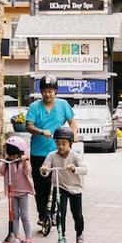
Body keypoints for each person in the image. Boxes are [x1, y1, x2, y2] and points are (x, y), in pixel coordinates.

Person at [25, 74, 77, 226]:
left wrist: (74, 135)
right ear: (41, 92)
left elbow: (72, 122)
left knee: (55, 185)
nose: (48, 94)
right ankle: (42, 215)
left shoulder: (63, 105)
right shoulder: (35, 107)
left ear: (55, 91)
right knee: (40, 186)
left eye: (51, 91)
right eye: (45, 91)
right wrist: (41, 131)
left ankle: (52, 213)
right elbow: (28, 126)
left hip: (57, 153)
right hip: (38, 154)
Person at [40, 126, 88, 243]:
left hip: (75, 188)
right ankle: (62, 236)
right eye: (58, 143)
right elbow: (45, 169)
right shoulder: (52, 155)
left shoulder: (75, 156)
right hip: (60, 187)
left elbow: (84, 170)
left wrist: (74, 168)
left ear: (70, 144)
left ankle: (79, 234)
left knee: (77, 214)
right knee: (61, 212)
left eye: (64, 144)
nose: (60, 146)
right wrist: (44, 170)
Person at [0, 135, 36, 243]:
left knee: (24, 216)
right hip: (12, 193)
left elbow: (27, 172)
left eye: (13, 154)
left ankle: (28, 238)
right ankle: (15, 236)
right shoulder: (7, 163)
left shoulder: (22, 162)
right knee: (14, 216)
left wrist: (25, 161)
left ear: (20, 152)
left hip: (23, 192)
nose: (11, 157)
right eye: (9, 154)